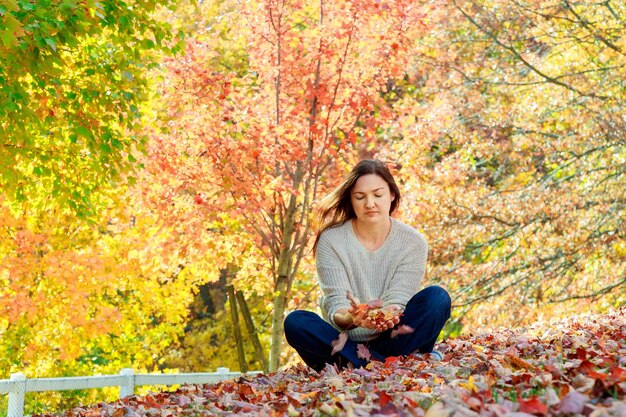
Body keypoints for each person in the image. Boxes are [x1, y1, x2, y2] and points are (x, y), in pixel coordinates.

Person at [284, 159, 451, 371]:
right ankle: (393, 365)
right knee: (297, 322)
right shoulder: (332, 240)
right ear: (351, 201)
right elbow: (336, 306)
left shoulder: (412, 242)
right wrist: (354, 318)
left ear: (392, 195)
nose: (369, 203)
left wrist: (385, 315)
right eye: (360, 197)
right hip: (346, 343)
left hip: (394, 338)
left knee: (437, 298)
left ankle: (364, 366)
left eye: (378, 195)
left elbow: (398, 300)